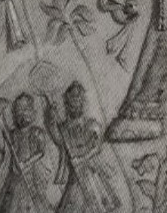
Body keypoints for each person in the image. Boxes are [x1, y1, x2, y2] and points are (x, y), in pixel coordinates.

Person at [46, 82, 120, 213]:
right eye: (71, 102)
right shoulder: (64, 128)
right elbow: (58, 139)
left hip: (91, 174)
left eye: (78, 101)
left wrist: (81, 159)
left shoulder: (91, 125)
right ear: (67, 104)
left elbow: (96, 147)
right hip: (75, 177)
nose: (74, 105)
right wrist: (51, 120)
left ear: (82, 102)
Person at [0, 93, 52, 213]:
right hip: (15, 178)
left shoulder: (36, 132)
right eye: (18, 110)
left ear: (33, 112)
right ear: (14, 114)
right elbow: (3, 146)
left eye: (26, 109)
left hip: (32, 176)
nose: (22, 114)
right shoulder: (13, 134)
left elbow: (41, 152)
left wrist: (27, 163)